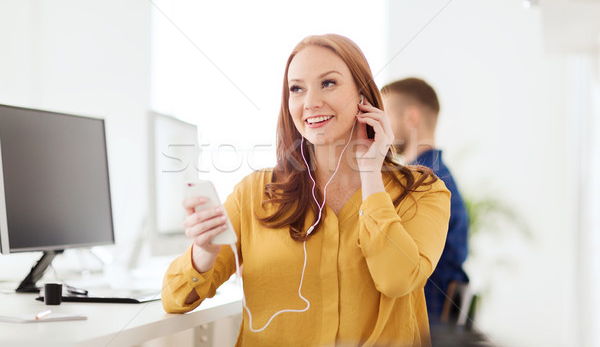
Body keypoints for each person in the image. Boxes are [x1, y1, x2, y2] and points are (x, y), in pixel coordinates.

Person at [162, 35, 451, 346]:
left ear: (363, 97)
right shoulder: (255, 193)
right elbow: (174, 299)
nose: (310, 102)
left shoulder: (423, 191)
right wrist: (203, 254)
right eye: (296, 88)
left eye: (328, 83)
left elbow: (395, 280)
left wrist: (370, 173)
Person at [381, 78, 469, 325]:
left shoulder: (425, 182)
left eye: (385, 115)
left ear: (412, 117)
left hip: (423, 321)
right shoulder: (438, 173)